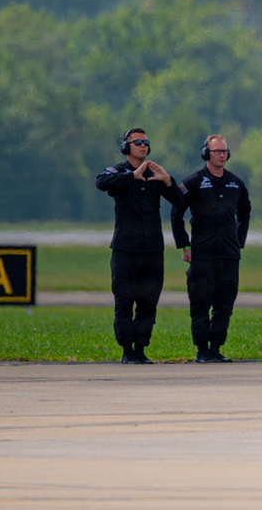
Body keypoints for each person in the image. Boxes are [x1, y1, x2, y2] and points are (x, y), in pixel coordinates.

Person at [96, 128, 181, 364]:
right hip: (125, 249)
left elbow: (180, 201)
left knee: (148, 301)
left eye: (146, 142)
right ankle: (127, 351)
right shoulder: (118, 171)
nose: (143, 145)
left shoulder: (154, 174)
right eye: (138, 142)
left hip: (152, 249)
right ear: (126, 147)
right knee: (124, 300)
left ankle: (141, 348)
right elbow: (101, 182)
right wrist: (131, 176)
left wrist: (168, 181)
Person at [170, 134, 251, 363]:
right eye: (217, 151)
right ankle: (202, 350)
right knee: (200, 303)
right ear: (206, 153)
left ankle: (216, 347)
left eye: (224, 151)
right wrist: (184, 245)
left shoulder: (236, 183)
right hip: (202, 254)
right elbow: (176, 213)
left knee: (224, 304)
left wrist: (238, 240)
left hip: (229, 255)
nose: (221, 155)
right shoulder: (193, 182)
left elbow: (244, 213)